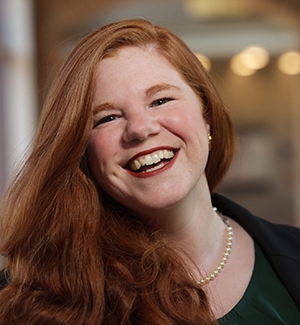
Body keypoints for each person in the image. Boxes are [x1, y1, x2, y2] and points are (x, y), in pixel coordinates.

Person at [0, 18, 299, 324]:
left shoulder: (293, 254)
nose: (140, 129)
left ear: (206, 114)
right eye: (107, 118)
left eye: (161, 100)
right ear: (82, 152)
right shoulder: (30, 300)